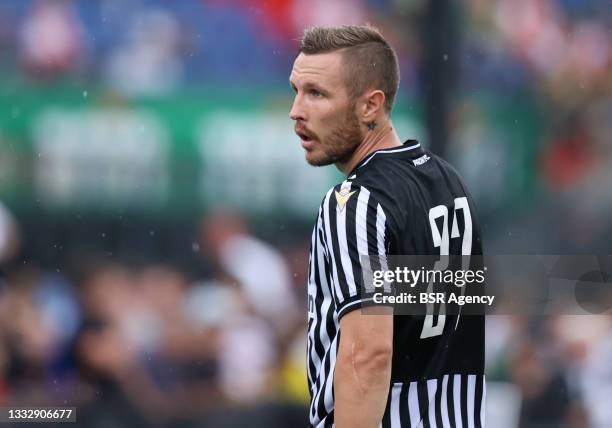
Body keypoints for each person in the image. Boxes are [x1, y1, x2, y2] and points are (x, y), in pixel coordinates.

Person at [289, 25, 485, 427]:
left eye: (316, 94)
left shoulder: (355, 202)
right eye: (296, 90)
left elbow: (369, 355)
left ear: (370, 106)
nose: (297, 110)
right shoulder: (448, 180)